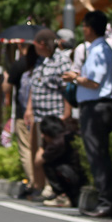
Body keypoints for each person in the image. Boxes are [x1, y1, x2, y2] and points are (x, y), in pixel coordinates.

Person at [62, 10, 112, 218]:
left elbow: (93, 82)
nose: (82, 30)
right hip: (95, 106)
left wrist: (74, 78)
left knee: (98, 156)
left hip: (96, 107)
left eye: (84, 26)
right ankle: (105, 200)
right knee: (97, 155)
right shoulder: (99, 49)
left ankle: (106, 202)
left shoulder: (98, 50)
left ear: (91, 28)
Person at [24, 29, 73, 201]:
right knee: (37, 151)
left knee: (49, 154)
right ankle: (40, 186)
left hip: (54, 115)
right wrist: (29, 108)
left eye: (36, 44)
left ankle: (53, 188)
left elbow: (66, 87)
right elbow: (34, 86)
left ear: (43, 44)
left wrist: (66, 112)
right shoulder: (41, 61)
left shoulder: (61, 61)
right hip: (39, 115)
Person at [1, 42, 42, 198]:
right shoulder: (41, 63)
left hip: (22, 113)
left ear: (20, 46)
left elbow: (7, 88)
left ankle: (34, 183)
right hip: (40, 112)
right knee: (39, 147)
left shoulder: (19, 64)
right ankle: (42, 183)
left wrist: (6, 78)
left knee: (26, 149)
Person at [35, 115, 85, 207]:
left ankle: (62, 196)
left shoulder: (55, 143)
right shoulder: (69, 134)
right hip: (80, 176)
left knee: (47, 163)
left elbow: (38, 161)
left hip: (73, 177)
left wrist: (43, 145)